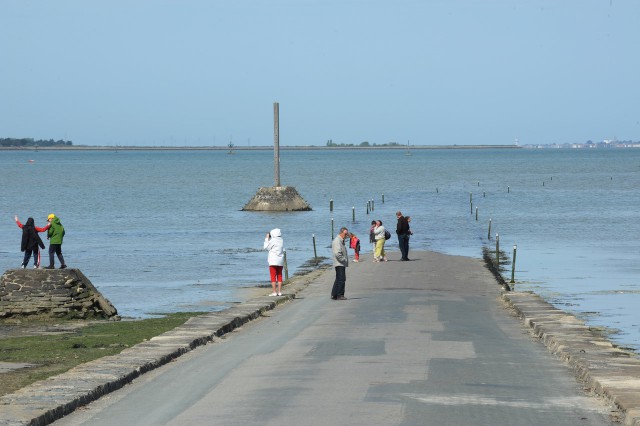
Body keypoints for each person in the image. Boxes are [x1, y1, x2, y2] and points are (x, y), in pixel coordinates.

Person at [263, 228, 284, 296]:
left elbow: (266, 247)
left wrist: (266, 239)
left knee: (273, 276)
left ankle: (274, 292)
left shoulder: (273, 240)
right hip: (280, 260)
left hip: (273, 260)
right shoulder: (281, 240)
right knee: (279, 275)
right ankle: (279, 292)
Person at [331, 227, 349, 300]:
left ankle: (334, 294)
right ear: (341, 233)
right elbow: (337, 253)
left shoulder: (340, 240)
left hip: (340, 263)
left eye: (347, 234)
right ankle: (340, 295)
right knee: (341, 279)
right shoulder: (337, 241)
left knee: (338, 279)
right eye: (345, 234)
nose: (346, 235)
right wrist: (344, 260)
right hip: (339, 263)